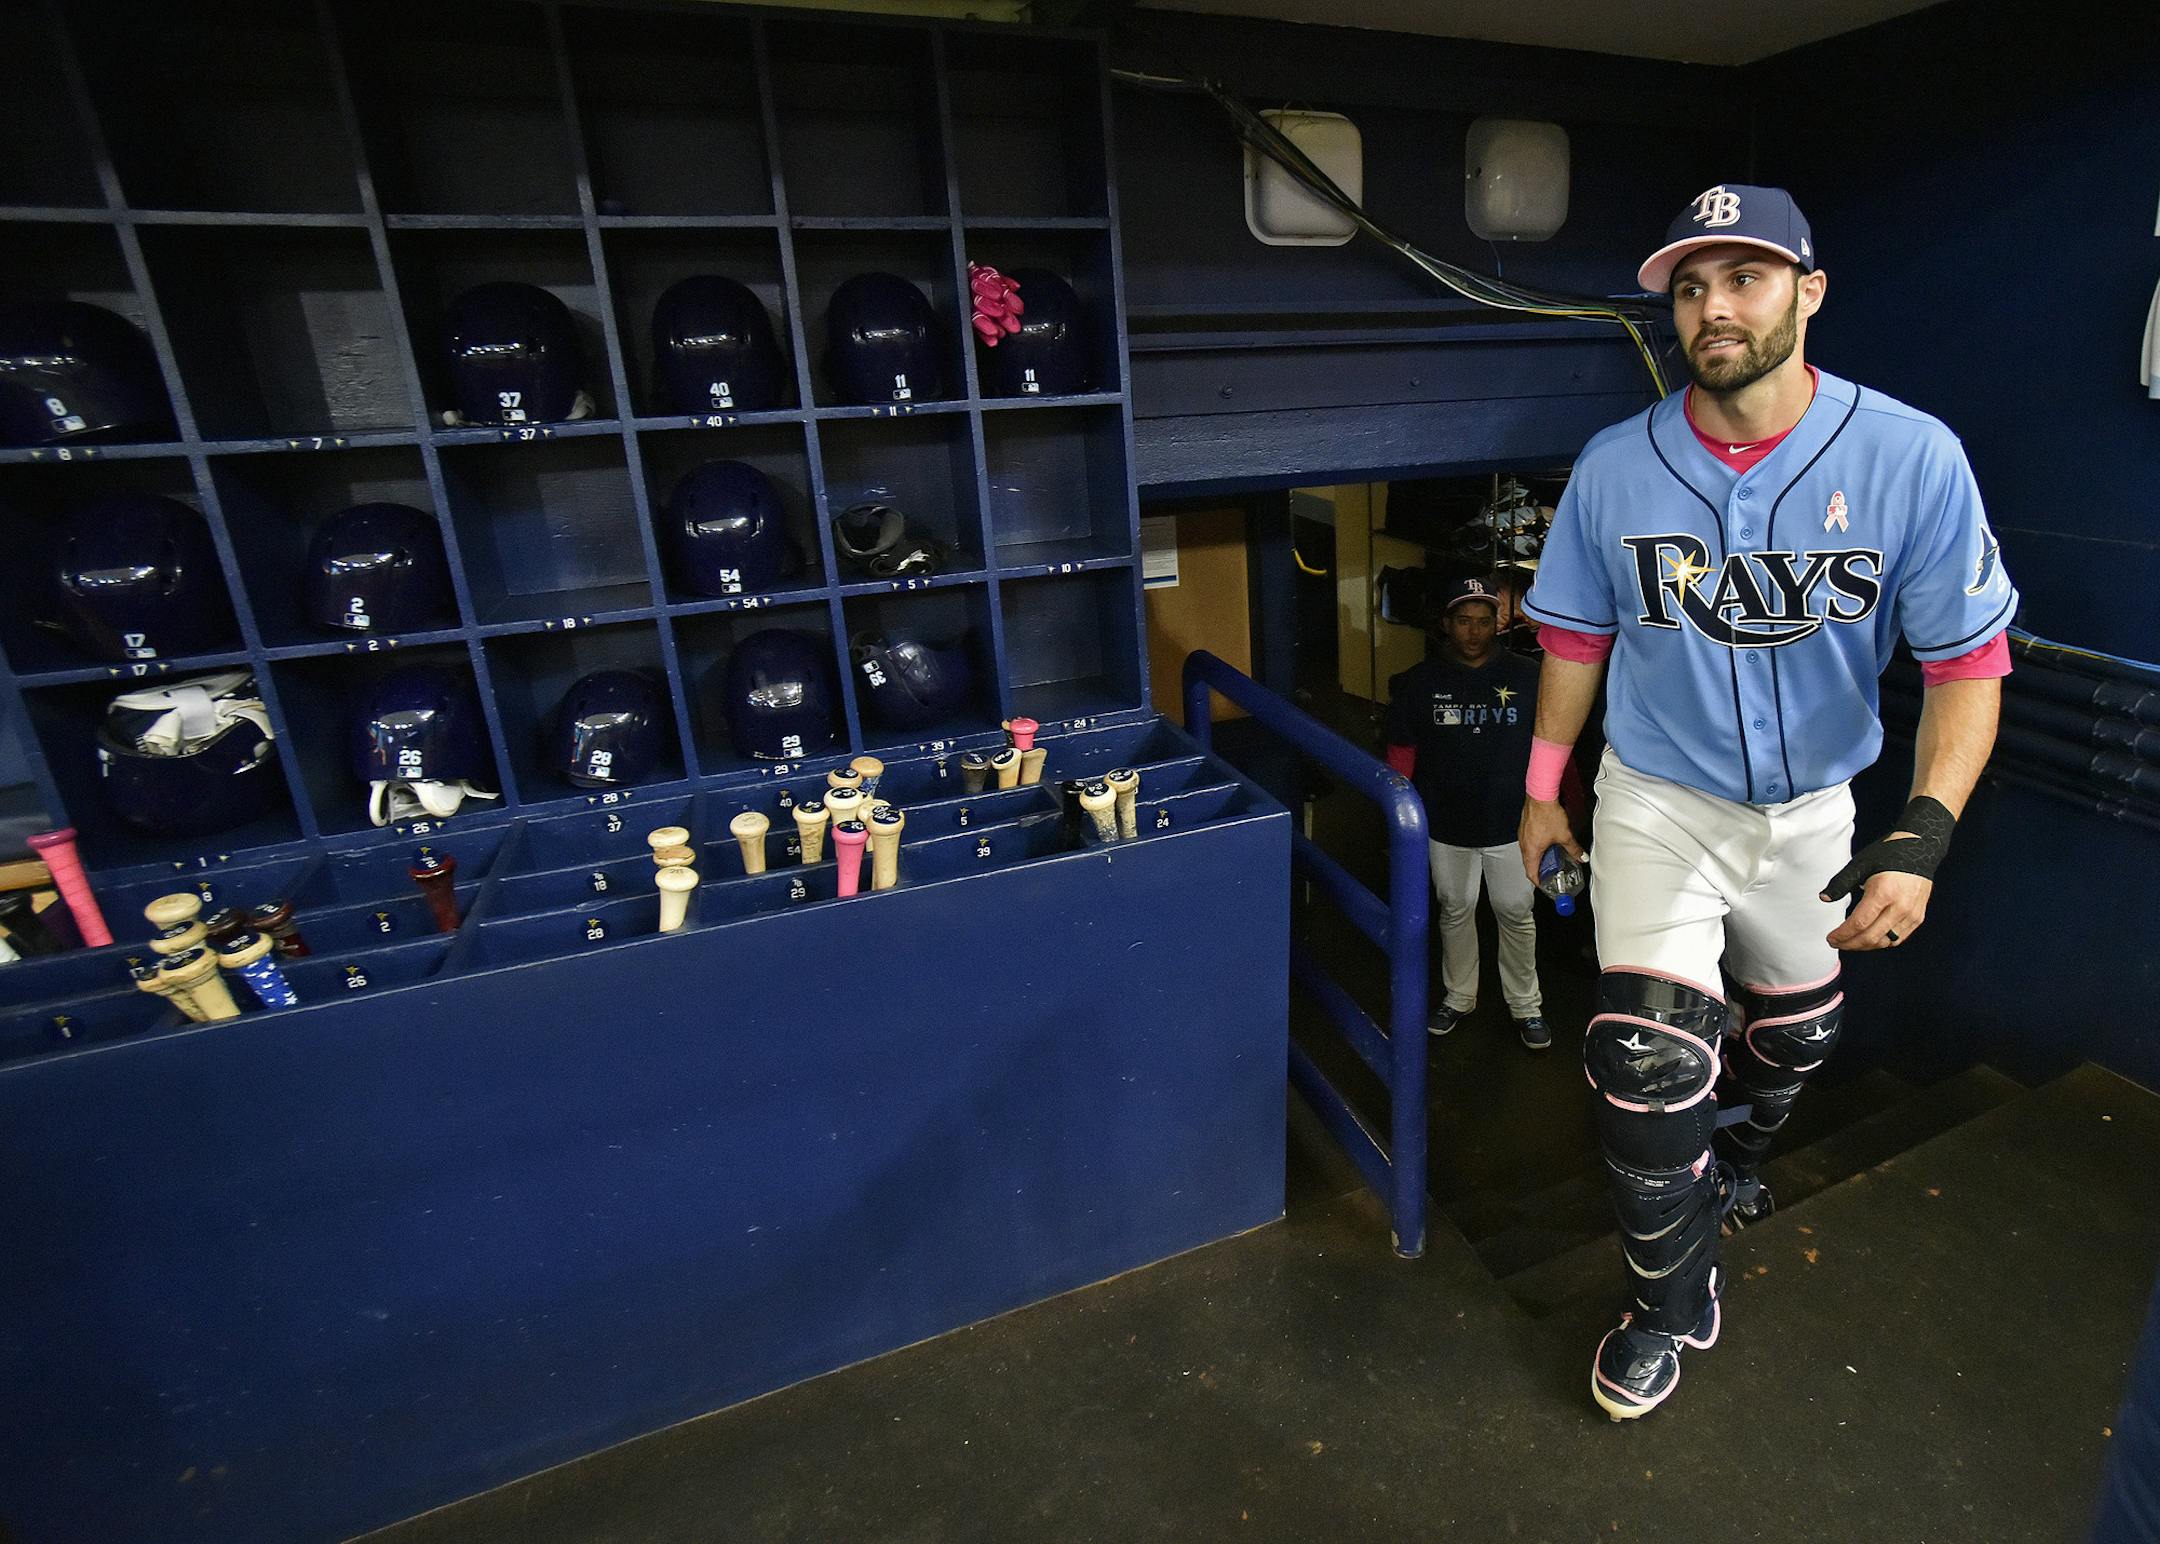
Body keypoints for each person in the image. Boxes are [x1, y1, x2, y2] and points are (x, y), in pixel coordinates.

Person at [1517, 184, 2014, 1421]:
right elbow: (1574, 638)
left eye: (1743, 277)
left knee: (1794, 1035)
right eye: (1691, 285)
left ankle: (1736, 1158)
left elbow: (1967, 665)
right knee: (1640, 1056)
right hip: (1656, 801)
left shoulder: (1911, 455)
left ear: (1809, 291)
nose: (1713, 306)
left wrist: (1925, 830)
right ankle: (1667, 1300)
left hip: (1812, 811)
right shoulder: (1616, 464)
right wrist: (1542, 791)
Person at [1385, 576, 1551, 1051]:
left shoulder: (1527, 677)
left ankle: (1526, 1004)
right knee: (1455, 908)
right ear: (1446, 625)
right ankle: (1459, 996)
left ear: (1495, 625)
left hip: (1511, 820)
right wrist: (1399, 826)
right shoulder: (1419, 683)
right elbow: (1400, 755)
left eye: (1483, 621)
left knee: (1515, 910)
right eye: (1464, 621)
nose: (1474, 632)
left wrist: (1561, 810)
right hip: (1445, 820)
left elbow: (1549, 746)